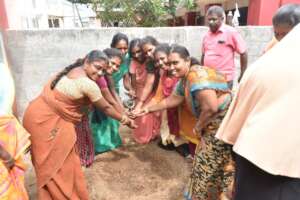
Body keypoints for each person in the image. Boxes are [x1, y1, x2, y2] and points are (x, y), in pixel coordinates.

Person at [23, 50, 136, 200]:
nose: (100, 72)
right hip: (47, 123)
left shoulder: (72, 70)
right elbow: (107, 107)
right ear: (87, 62)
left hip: (36, 116)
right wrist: (125, 120)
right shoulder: (88, 84)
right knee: (60, 164)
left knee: (51, 161)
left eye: (103, 69)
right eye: (97, 67)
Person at [134, 44, 234, 200]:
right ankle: (221, 193)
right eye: (169, 64)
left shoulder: (196, 76)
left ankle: (202, 195)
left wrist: (198, 126)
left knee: (205, 163)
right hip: (217, 123)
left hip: (220, 124)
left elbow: (211, 107)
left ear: (187, 61)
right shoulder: (185, 78)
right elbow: (173, 99)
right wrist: (149, 109)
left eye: (175, 63)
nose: (171, 67)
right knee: (221, 161)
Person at [216, 20, 300, 200]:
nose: (278, 39)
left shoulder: (267, 62)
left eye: (283, 34)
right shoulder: (270, 60)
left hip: (255, 161)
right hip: (268, 168)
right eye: (276, 34)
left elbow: (233, 127)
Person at [0, 45, 31, 199]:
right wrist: (4, 153)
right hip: (2, 145)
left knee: (13, 178)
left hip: (7, 132)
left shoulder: (2, 68)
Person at [144, 43, 186, 150]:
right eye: (157, 61)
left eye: (162, 58)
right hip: (168, 108)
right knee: (168, 128)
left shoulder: (183, 74)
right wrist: (144, 109)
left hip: (184, 109)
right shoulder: (164, 74)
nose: (160, 63)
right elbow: (158, 96)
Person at [201, 5, 248, 87]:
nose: (211, 22)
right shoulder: (206, 35)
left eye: (214, 19)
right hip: (208, 78)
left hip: (224, 79)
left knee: (224, 100)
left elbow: (243, 53)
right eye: (209, 19)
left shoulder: (231, 32)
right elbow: (204, 55)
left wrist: (243, 73)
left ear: (222, 19)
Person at [90, 48, 124, 154]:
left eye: (117, 66)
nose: (114, 67)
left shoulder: (107, 76)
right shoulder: (101, 78)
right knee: (96, 125)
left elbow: (113, 93)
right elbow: (111, 100)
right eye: (112, 63)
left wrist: (122, 110)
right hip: (94, 105)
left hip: (99, 103)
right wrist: (124, 117)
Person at [131, 36, 162, 144]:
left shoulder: (168, 54)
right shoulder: (149, 62)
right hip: (160, 89)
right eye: (146, 52)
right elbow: (149, 83)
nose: (148, 54)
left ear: (157, 45)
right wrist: (139, 104)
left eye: (150, 50)